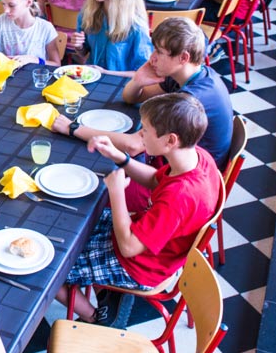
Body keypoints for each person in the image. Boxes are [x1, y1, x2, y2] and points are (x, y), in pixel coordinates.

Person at [59, 93, 221, 325]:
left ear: (170, 140)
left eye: (145, 130)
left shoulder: (180, 196)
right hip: (147, 243)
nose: (140, 135)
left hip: (139, 266)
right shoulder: (197, 158)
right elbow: (156, 180)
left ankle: (96, 318)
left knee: (52, 266)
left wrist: (116, 193)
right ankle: (105, 292)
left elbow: (128, 248)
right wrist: (119, 157)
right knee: (73, 219)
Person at [55, 18, 233, 194]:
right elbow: (131, 98)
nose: (152, 57)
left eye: (159, 52)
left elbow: (134, 145)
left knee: (91, 176)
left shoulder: (188, 99)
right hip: (179, 166)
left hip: (189, 181)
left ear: (183, 57)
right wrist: (138, 81)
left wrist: (73, 128)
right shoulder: (189, 74)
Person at [71, 0, 152, 74]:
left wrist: (106, 73)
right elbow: (84, 53)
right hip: (92, 78)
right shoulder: (88, 13)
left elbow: (145, 73)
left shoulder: (136, 25)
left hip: (123, 86)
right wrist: (79, 46)